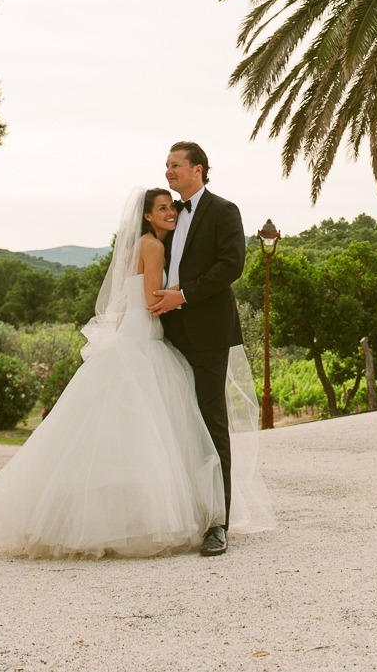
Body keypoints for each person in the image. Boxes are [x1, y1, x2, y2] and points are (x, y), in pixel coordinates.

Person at [0, 187, 226, 558]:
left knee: (121, 431)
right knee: (149, 430)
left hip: (131, 335)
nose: (170, 213)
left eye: (171, 208)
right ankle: (143, 519)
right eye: (162, 208)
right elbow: (150, 303)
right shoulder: (154, 247)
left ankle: (102, 519)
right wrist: (182, 293)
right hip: (143, 338)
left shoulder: (141, 244)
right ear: (147, 216)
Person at [147, 140, 257, 557]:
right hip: (168, 334)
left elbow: (231, 265)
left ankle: (218, 523)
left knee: (212, 423)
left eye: (175, 165)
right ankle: (185, 513)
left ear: (198, 169)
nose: (168, 172)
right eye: (166, 165)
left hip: (208, 333)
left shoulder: (224, 211)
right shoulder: (168, 216)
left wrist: (184, 295)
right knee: (176, 424)